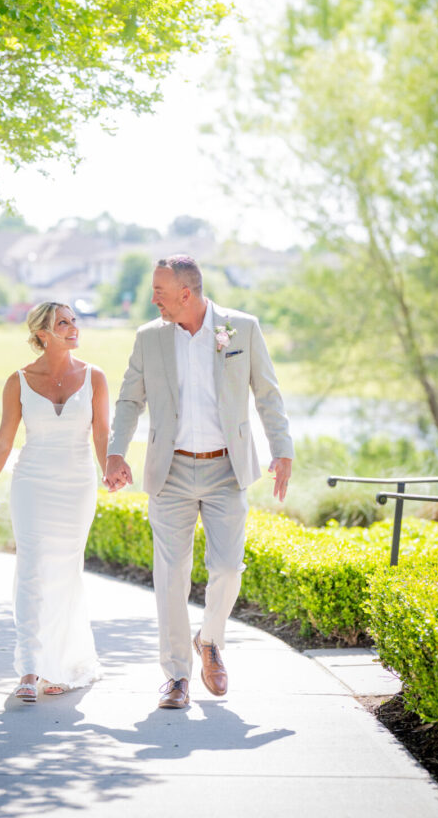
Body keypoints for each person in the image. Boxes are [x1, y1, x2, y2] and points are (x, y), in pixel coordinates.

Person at [104, 256, 293, 710]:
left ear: (186, 293)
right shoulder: (149, 338)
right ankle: (176, 678)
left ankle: (209, 639)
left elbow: (267, 393)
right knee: (171, 577)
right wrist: (116, 450)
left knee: (228, 567)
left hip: (227, 469)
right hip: (169, 471)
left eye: (160, 293)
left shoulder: (241, 328)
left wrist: (281, 448)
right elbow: (130, 397)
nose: (153, 300)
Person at [0, 302, 108, 703]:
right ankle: (30, 667)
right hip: (32, 483)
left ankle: (59, 666)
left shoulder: (95, 376)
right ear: (43, 333)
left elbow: (102, 434)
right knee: (31, 569)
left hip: (78, 485)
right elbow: (3, 441)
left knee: (66, 570)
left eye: (74, 321)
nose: (74, 327)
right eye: (64, 322)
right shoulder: (19, 381)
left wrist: (110, 467)